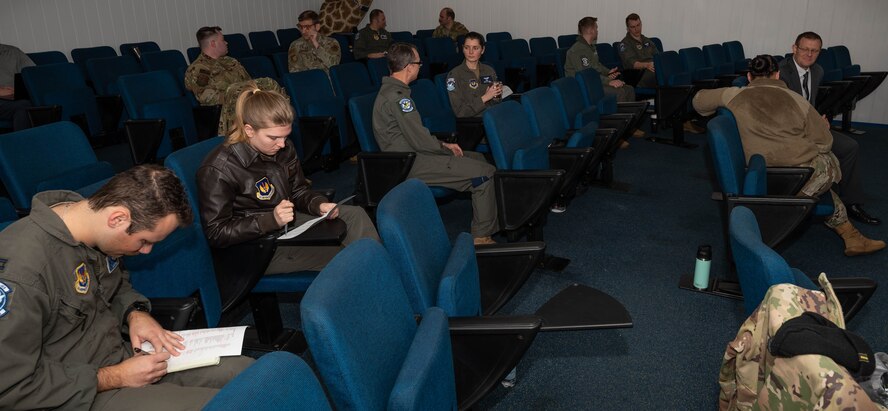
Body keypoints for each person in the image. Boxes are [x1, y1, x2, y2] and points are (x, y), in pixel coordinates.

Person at [0, 165, 254, 410]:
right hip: (74, 392)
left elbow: (114, 283)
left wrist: (135, 313)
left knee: (249, 374)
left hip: (119, 357)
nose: (145, 251)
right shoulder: (22, 273)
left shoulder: (89, 222)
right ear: (118, 218)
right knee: (234, 405)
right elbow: (11, 386)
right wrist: (114, 377)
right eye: (144, 241)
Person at [693, 55, 884, 256]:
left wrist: (727, 94)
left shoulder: (733, 96)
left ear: (749, 76)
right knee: (828, 162)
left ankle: (851, 236)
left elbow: (698, 101)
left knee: (821, 173)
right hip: (797, 172)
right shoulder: (797, 100)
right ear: (777, 75)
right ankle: (794, 206)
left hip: (757, 168)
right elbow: (825, 141)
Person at [197, 87, 378, 274]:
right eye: (274, 137)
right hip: (255, 246)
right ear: (249, 130)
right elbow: (216, 232)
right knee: (345, 254)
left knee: (356, 216)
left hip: (286, 225)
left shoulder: (283, 148)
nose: (282, 144)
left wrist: (318, 205)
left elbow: (298, 191)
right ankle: (377, 283)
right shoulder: (219, 168)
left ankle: (381, 275)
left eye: (286, 136)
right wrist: (269, 221)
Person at [373, 42, 498, 245]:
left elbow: (416, 135)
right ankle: (481, 236)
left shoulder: (396, 92)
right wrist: (445, 148)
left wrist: (442, 145)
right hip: (409, 162)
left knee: (477, 157)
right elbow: (420, 140)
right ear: (408, 67)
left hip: (413, 154)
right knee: (485, 173)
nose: (420, 66)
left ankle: (487, 214)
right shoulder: (397, 99)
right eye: (418, 62)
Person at [779, 31, 879, 225]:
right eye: (805, 49)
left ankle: (852, 203)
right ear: (794, 48)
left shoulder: (817, 71)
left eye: (814, 51)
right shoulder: (782, 72)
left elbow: (809, 104)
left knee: (850, 147)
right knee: (824, 152)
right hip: (788, 132)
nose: (809, 54)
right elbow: (780, 112)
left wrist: (819, 119)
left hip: (810, 128)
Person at [184, 26, 283, 136]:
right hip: (226, 114)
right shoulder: (199, 69)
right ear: (213, 44)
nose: (226, 43)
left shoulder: (231, 61)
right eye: (222, 40)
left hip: (248, 107)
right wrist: (239, 94)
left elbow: (250, 83)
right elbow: (208, 99)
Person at [565, 16, 635, 103]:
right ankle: (620, 116)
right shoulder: (578, 50)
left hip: (593, 82)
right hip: (584, 86)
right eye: (596, 28)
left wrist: (608, 72)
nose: (597, 31)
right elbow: (587, 75)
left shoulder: (590, 47)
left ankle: (632, 116)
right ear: (591, 30)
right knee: (620, 92)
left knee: (629, 89)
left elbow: (597, 65)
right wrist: (608, 81)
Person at [445, 31, 502, 118]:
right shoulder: (454, 75)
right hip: (473, 123)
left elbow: (495, 103)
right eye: (467, 48)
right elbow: (460, 113)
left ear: (482, 50)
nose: (470, 52)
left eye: (475, 48)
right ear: (462, 49)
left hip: (492, 117)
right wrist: (485, 97)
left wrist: (497, 95)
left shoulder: (489, 70)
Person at [288, 10, 341, 76]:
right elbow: (294, 71)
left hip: (328, 82)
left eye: (307, 27)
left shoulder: (331, 42)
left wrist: (317, 46)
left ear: (317, 26)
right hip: (308, 82)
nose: (303, 31)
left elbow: (333, 66)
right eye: (301, 27)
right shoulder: (295, 45)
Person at [617, 13, 658, 88]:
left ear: (641, 24)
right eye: (633, 27)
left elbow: (658, 57)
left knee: (670, 71)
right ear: (628, 28)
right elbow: (633, 64)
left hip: (652, 69)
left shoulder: (647, 41)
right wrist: (647, 65)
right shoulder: (624, 44)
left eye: (638, 25)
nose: (637, 29)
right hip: (639, 75)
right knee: (661, 74)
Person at [0, 43, 34, 131]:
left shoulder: (12, 51)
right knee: (24, 105)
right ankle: (23, 142)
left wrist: (18, 91)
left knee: (40, 101)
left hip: (16, 96)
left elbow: (34, 74)